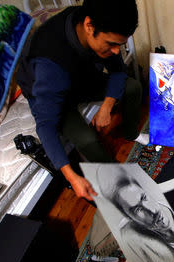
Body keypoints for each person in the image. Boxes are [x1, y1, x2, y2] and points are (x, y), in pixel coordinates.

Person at [16, 0, 148, 201]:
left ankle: (130, 133)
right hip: (52, 91)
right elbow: (45, 126)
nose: (115, 51)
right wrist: (72, 176)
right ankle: (118, 181)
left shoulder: (86, 19)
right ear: (89, 27)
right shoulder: (49, 65)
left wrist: (107, 105)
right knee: (87, 139)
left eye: (119, 45)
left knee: (134, 88)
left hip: (80, 77)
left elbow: (118, 71)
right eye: (111, 44)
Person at [94, 164, 174, 262]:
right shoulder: (130, 236)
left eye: (144, 197)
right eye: (137, 209)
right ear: (129, 218)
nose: (152, 210)